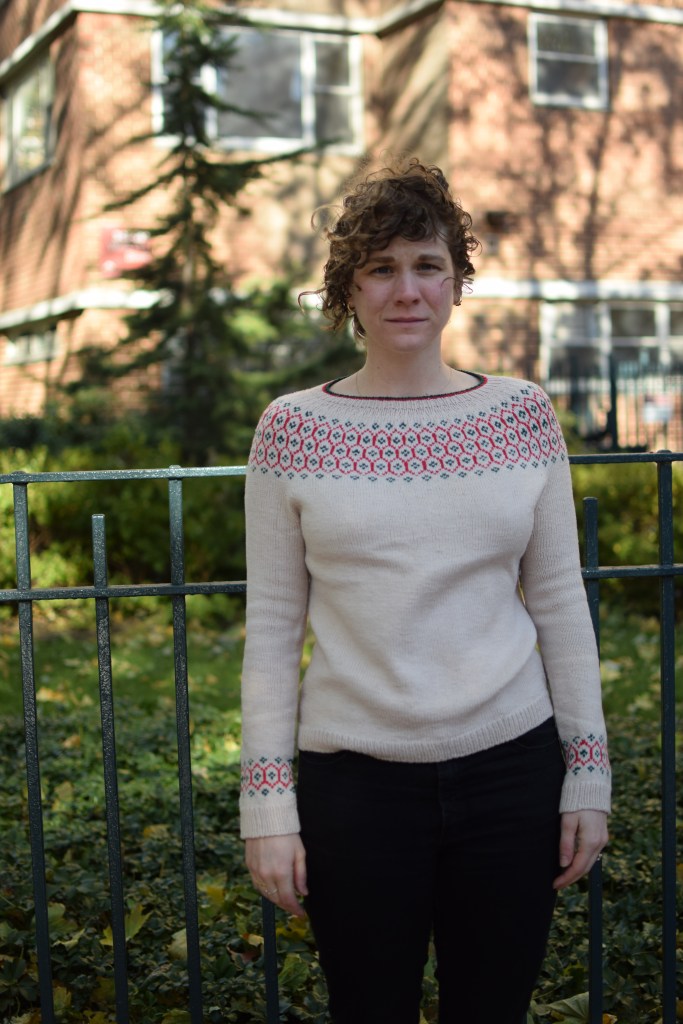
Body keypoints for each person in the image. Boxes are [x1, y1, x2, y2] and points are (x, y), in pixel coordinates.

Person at [239, 157, 610, 1024]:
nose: (406, 289)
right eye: (381, 267)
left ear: (455, 281)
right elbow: (270, 629)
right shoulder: (292, 429)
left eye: (427, 265)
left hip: (512, 773)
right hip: (354, 788)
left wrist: (586, 776)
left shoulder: (520, 414)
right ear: (350, 290)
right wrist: (267, 806)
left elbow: (560, 603)